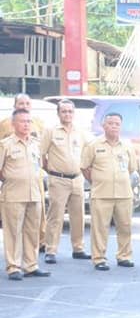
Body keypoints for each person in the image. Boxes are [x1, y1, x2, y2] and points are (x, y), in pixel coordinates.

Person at [81, 112, 137, 271]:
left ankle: (124, 256)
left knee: (125, 226)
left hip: (124, 194)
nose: (113, 126)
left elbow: (132, 168)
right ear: (103, 125)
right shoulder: (94, 145)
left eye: (117, 124)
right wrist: (97, 180)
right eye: (110, 123)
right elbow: (84, 167)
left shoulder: (127, 146)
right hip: (101, 193)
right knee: (100, 228)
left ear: (121, 126)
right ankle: (99, 258)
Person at [40, 99, 90, 263]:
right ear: (58, 113)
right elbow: (42, 156)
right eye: (64, 111)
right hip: (58, 179)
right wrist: (52, 172)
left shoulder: (80, 132)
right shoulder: (50, 131)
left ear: (74, 113)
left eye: (70, 111)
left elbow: (87, 153)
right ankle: (51, 250)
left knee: (78, 216)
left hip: (77, 179)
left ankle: (78, 248)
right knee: (56, 216)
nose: (67, 114)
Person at [0, 109, 47, 280]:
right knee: (13, 232)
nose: (26, 125)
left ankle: (31, 265)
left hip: (34, 193)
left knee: (32, 232)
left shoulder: (35, 144)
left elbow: (39, 167)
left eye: (28, 121)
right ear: (13, 124)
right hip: (13, 195)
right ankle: (13, 267)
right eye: (22, 121)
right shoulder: (5, 145)